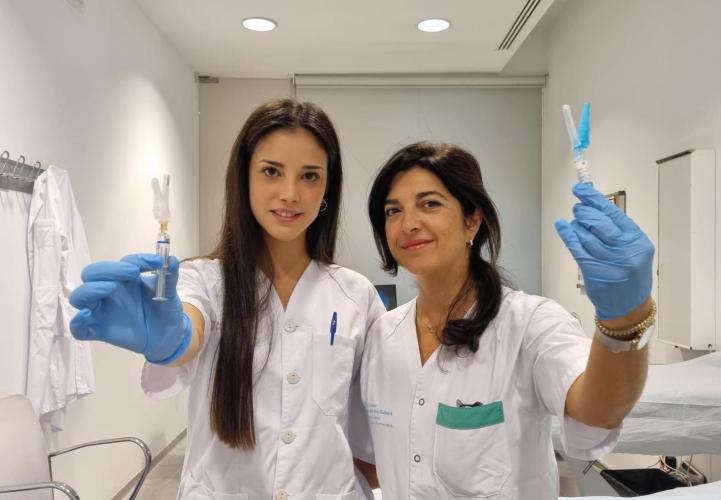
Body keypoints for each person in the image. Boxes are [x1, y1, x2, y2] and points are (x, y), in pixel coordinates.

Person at [68, 98, 384, 499]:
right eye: (271, 171)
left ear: (327, 187)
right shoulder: (204, 280)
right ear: (244, 178)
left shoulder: (356, 295)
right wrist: (173, 340)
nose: (290, 193)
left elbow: (376, 425)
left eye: (309, 176)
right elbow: (191, 323)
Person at [361, 142, 655, 500]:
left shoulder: (529, 324)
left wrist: (626, 317)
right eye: (393, 211)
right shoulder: (381, 336)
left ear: (472, 220)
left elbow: (597, 410)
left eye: (430, 204)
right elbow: (378, 459)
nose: (408, 224)